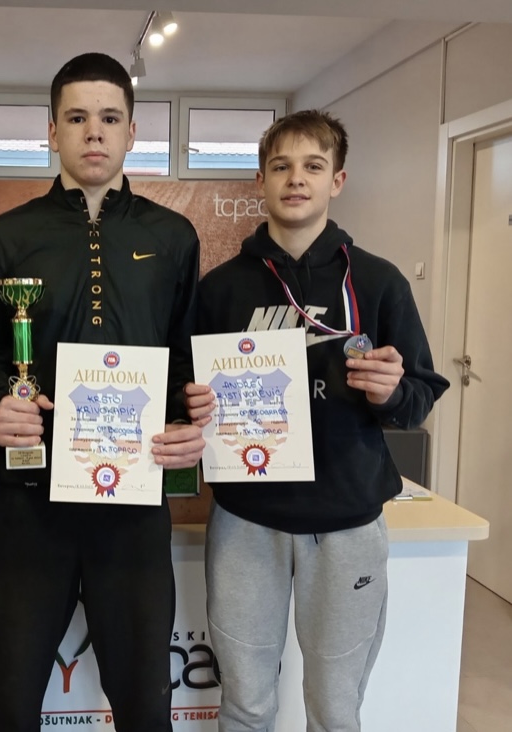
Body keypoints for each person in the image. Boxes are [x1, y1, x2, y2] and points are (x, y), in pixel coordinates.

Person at [184, 110, 450, 732]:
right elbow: (184, 388)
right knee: (246, 703)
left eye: (313, 166)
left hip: (348, 524)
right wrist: (189, 404)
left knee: (334, 707)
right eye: (281, 166)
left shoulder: (379, 282)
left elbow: (420, 394)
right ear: (260, 180)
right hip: (247, 522)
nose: (296, 179)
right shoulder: (221, 288)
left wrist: (391, 391)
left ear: (338, 180)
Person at [0, 52, 205, 732]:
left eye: (109, 118)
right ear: (52, 132)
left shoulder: (173, 237)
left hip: (133, 505)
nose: (93, 132)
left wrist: (187, 423)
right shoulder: (7, 236)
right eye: (76, 118)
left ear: (132, 132)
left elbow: (185, 360)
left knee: (143, 704)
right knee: (9, 700)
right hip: (31, 502)